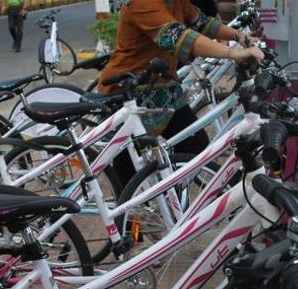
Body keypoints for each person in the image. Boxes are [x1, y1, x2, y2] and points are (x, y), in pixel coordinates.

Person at [98, 0, 262, 185]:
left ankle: (168, 200)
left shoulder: (176, 2)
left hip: (163, 89)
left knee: (194, 144)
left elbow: (203, 23)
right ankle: (128, 209)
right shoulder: (142, 3)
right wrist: (233, 53)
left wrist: (237, 35)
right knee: (130, 160)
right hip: (128, 89)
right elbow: (179, 38)